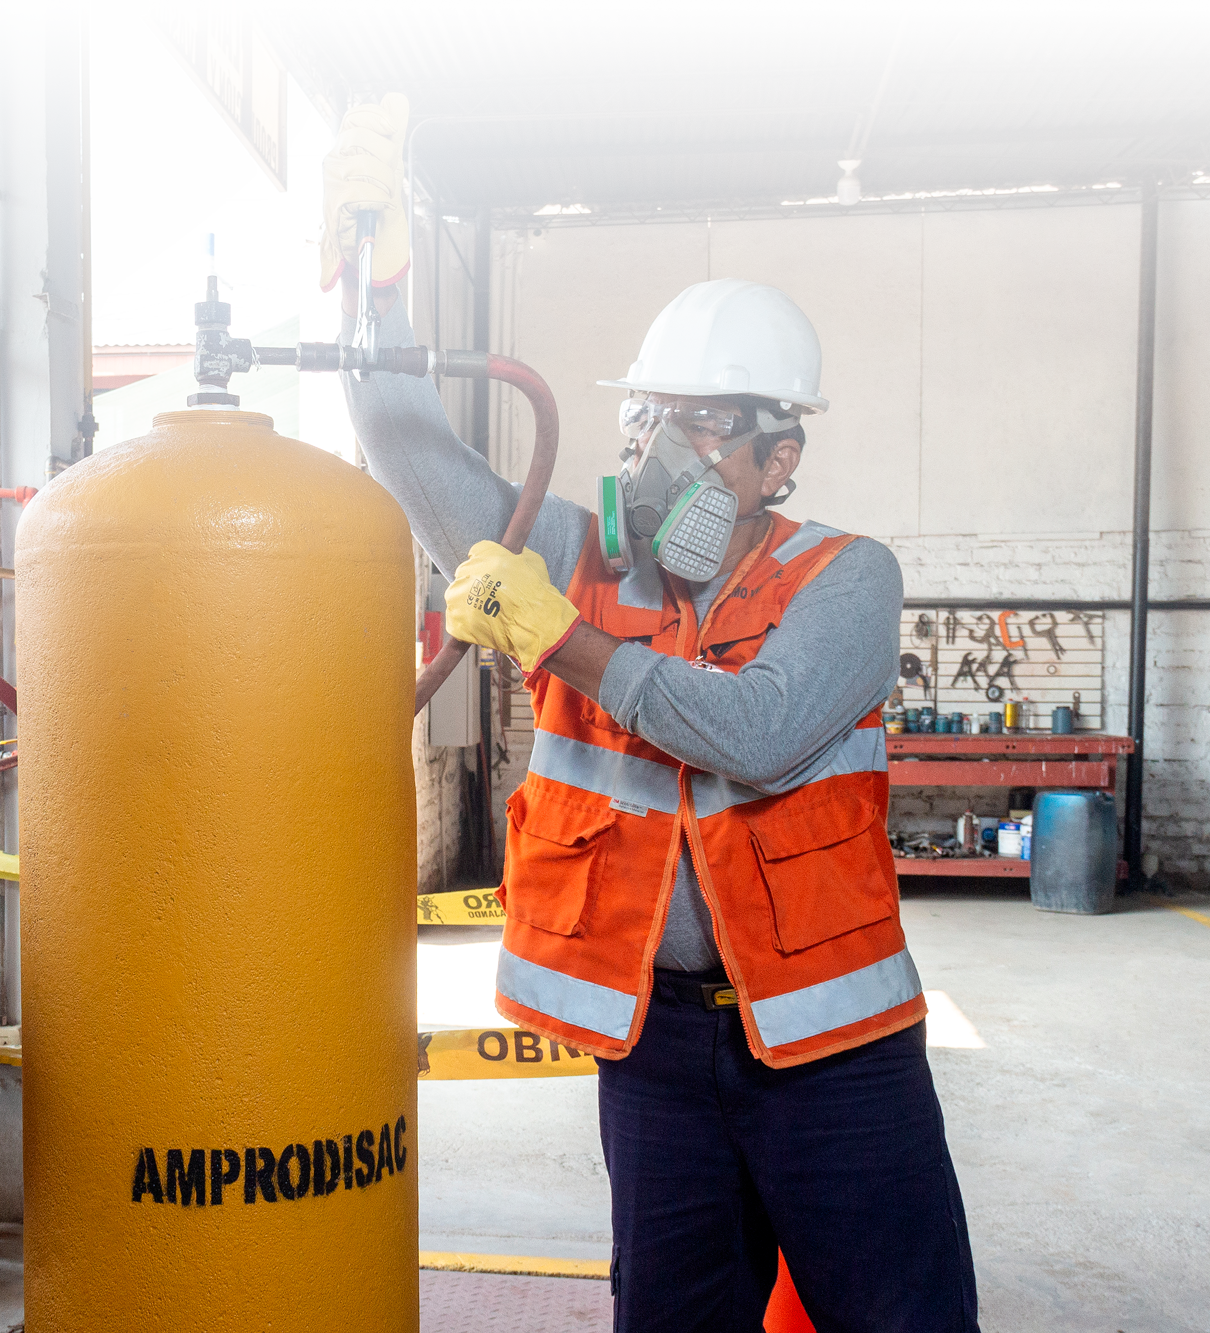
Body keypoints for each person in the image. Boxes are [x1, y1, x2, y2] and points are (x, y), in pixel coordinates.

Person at [325, 94, 981, 1333]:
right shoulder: (575, 553)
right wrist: (376, 286)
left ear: (776, 459)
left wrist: (559, 636)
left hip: (834, 1052)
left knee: (899, 1318)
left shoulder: (847, 576)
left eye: (696, 425)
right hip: (657, 1051)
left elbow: (758, 731)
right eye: (641, 418)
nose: (652, 454)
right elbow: (410, 448)